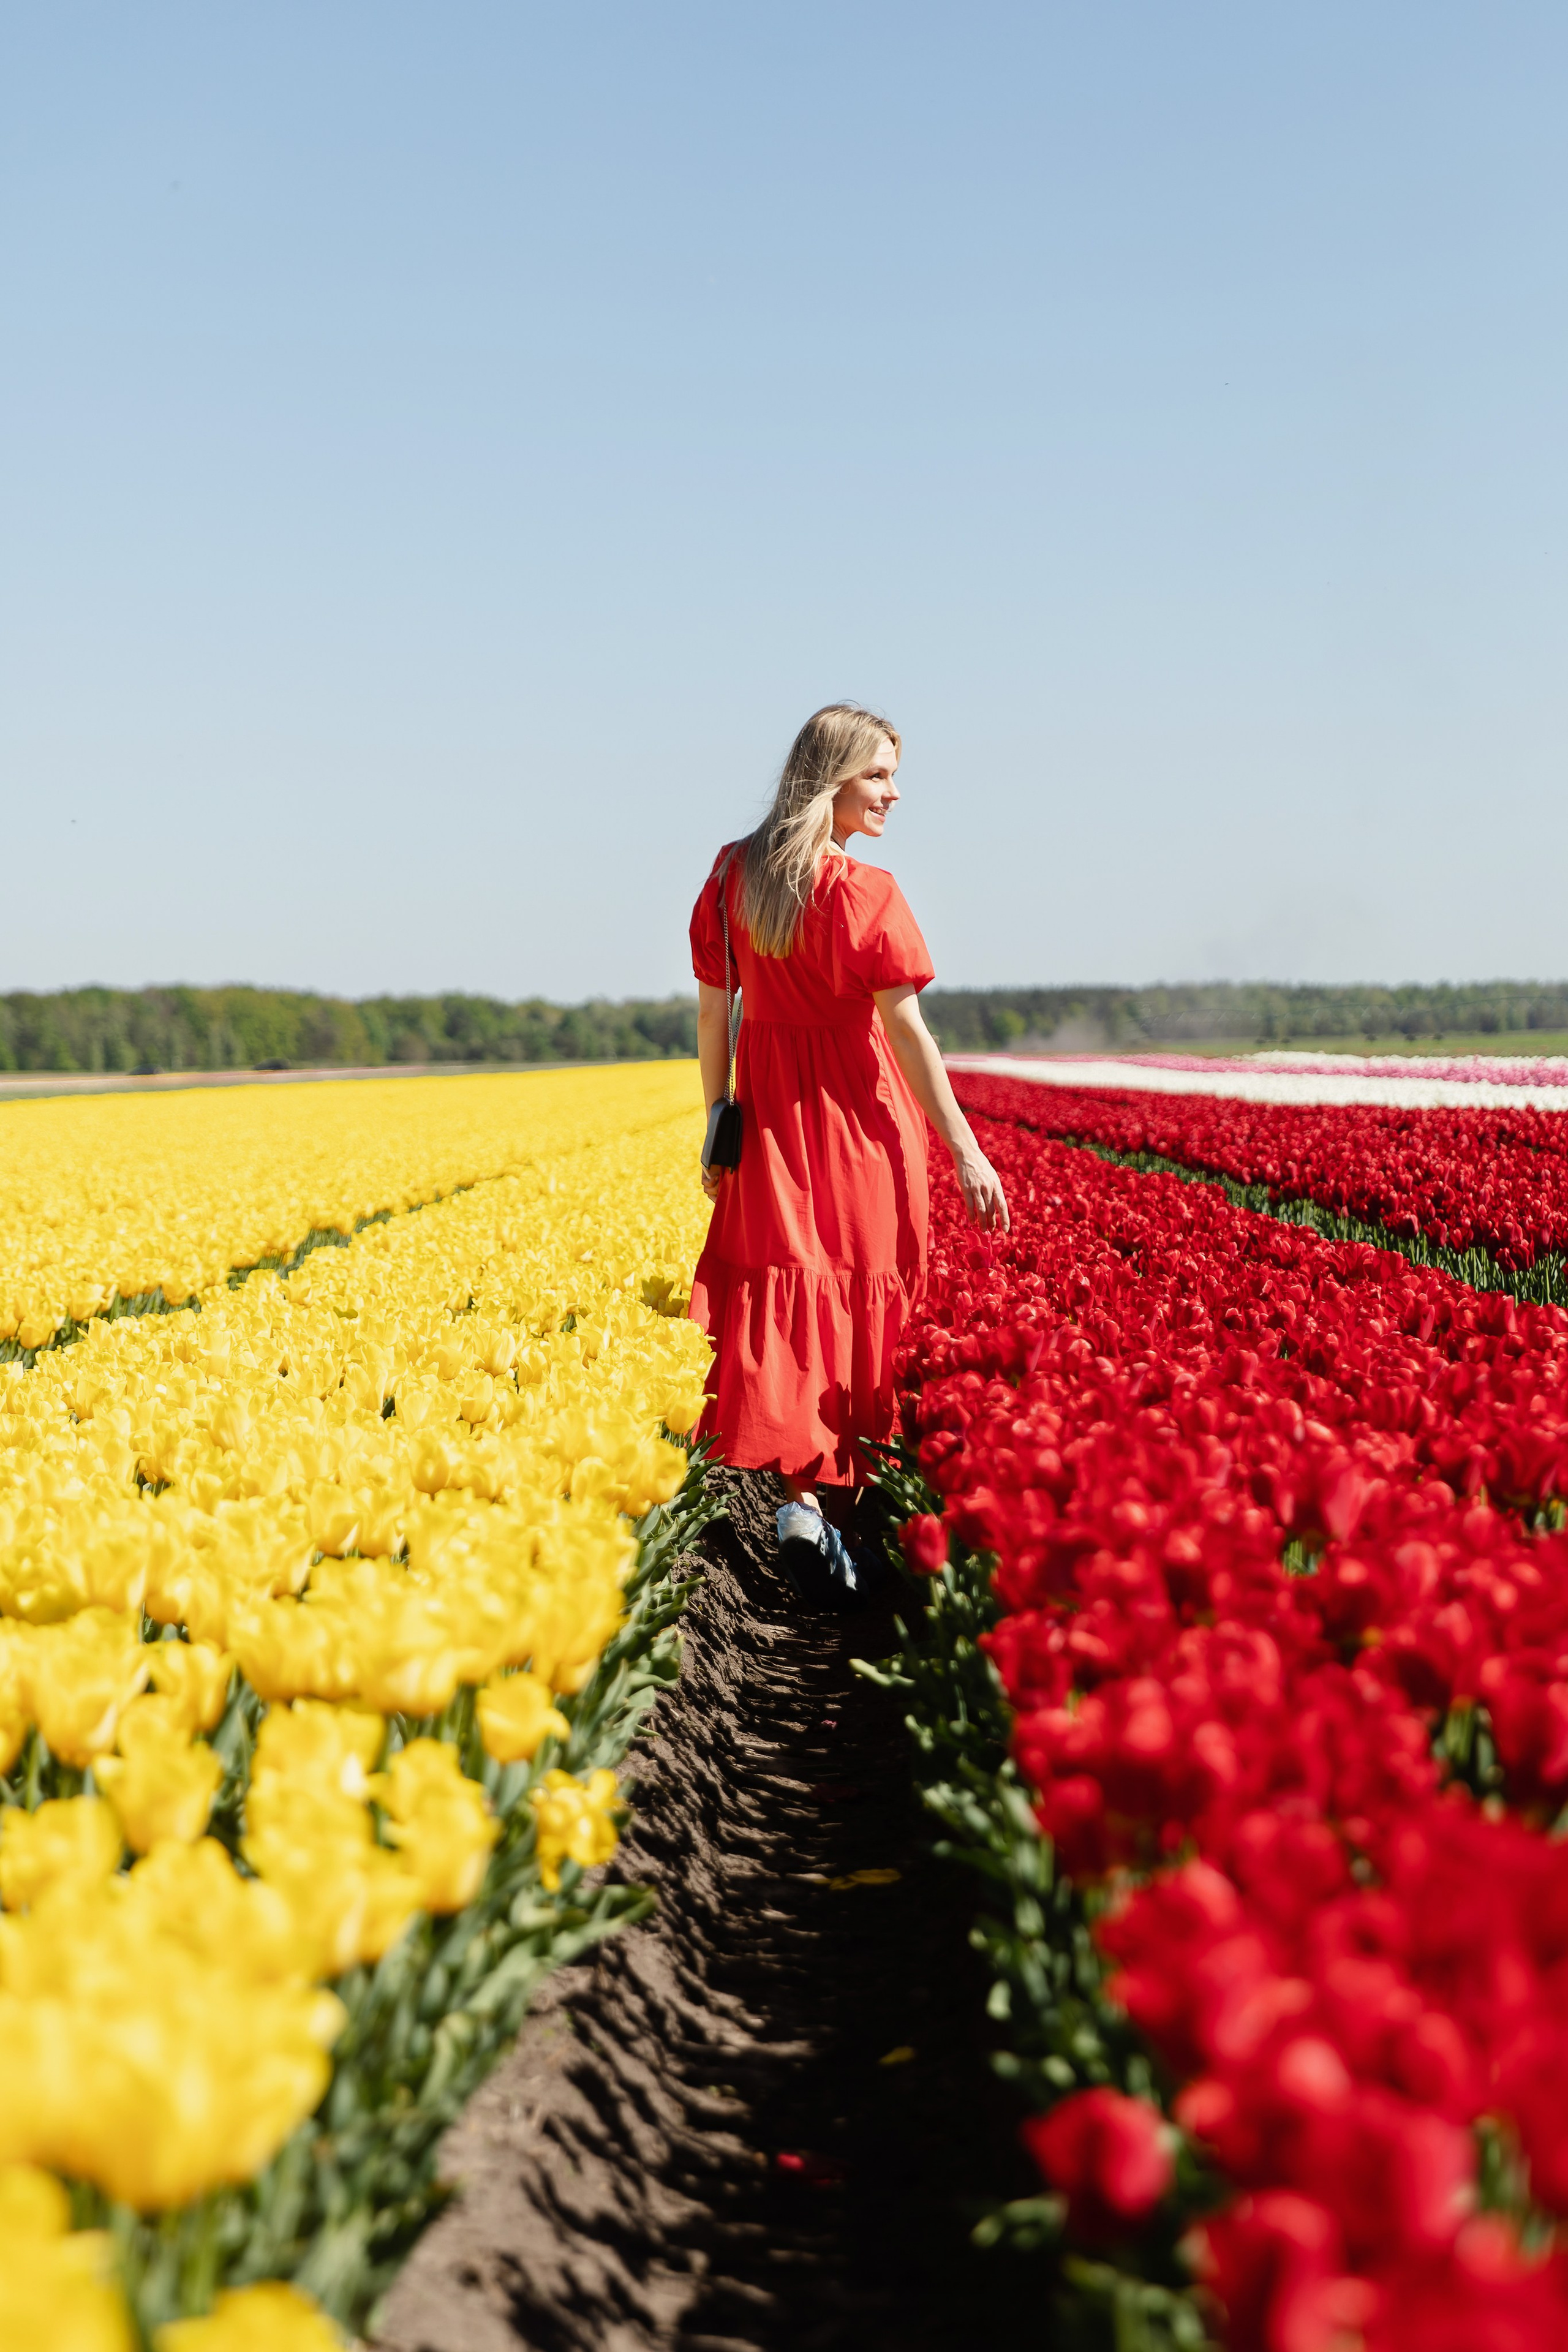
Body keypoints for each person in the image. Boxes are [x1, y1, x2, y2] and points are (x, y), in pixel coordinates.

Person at [688, 703, 1009, 1605]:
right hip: (863, 1123)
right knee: (865, 1291)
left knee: (788, 1289)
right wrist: (965, 1148)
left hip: (772, 1123)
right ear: (828, 778)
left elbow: (716, 1015)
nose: (893, 794)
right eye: (877, 776)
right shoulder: (867, 894)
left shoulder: (731, 879)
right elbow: (909, 1039)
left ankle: (802, 1504)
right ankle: (845, 1519)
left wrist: (718, 1116)